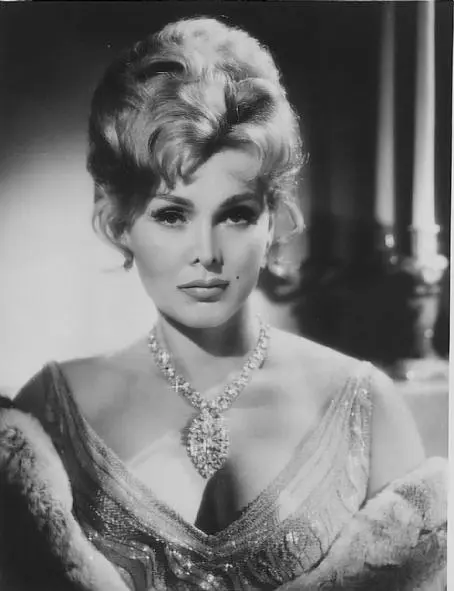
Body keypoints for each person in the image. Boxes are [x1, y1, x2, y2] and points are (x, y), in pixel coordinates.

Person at [0, 16, 446, 591]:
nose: (207, 253)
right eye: (171, 215)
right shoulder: (49, 411)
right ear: (120, 223)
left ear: (274, 219)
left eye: (236, 214)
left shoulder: (366, 408)